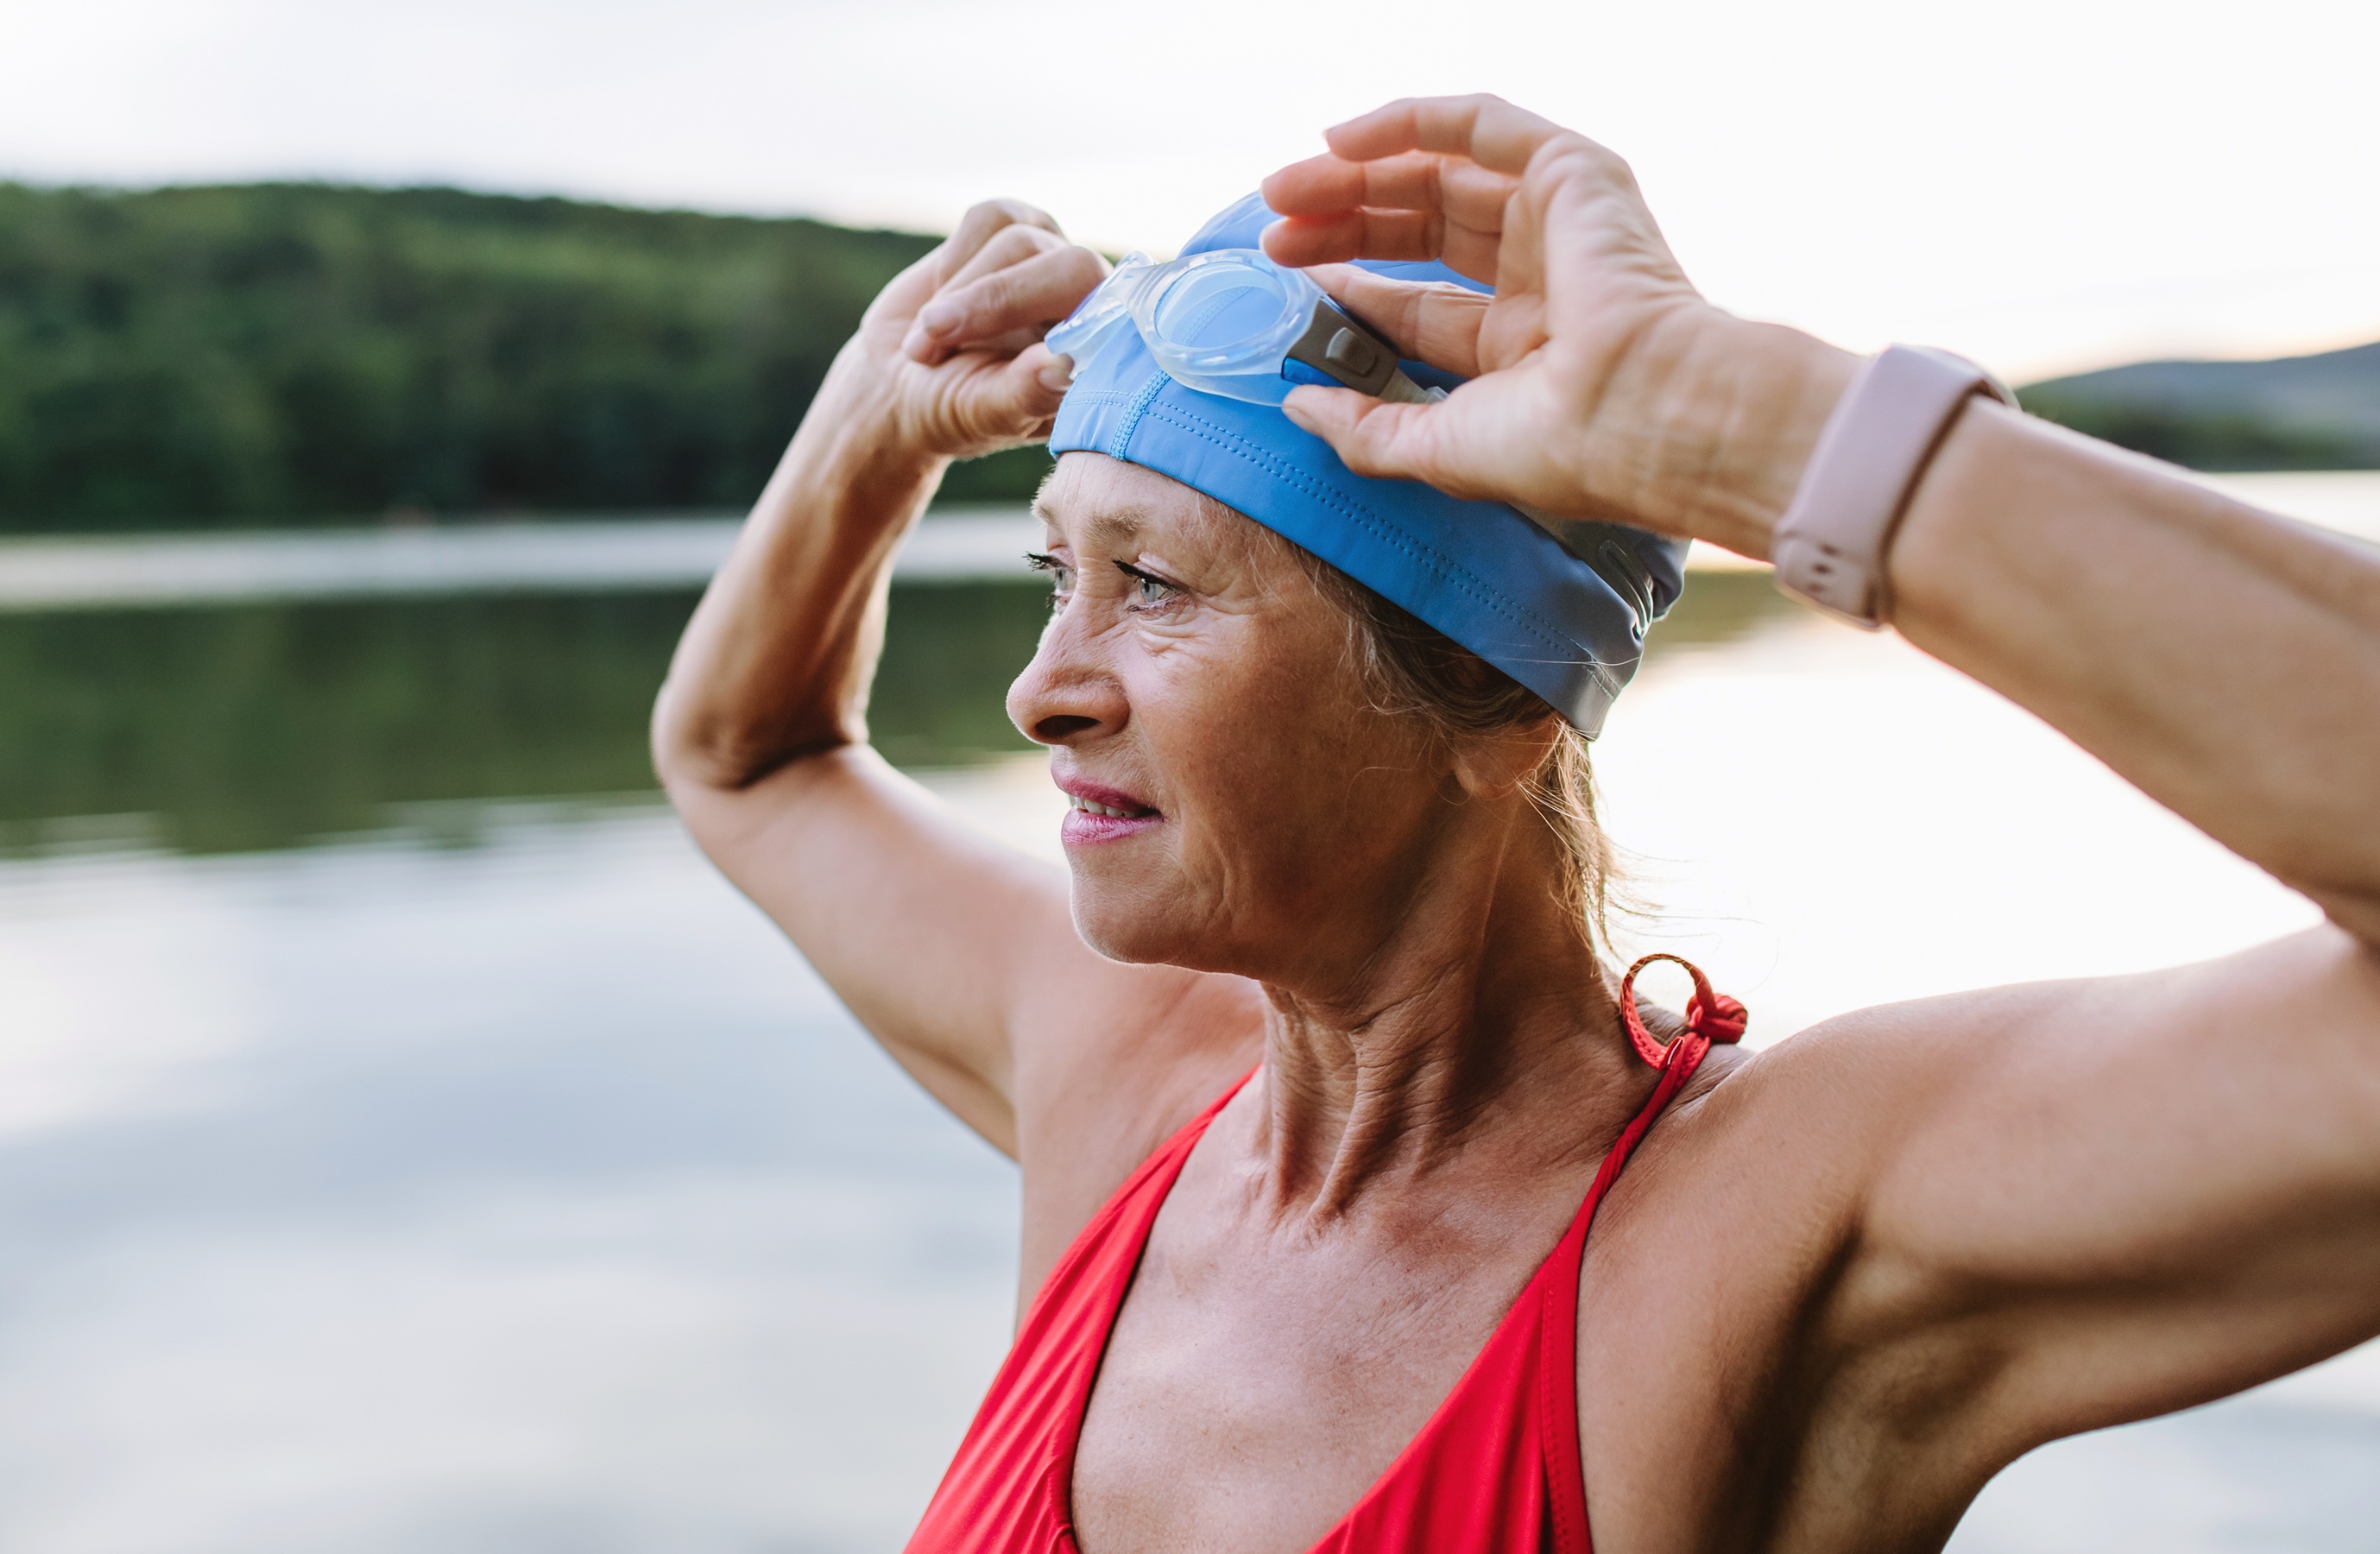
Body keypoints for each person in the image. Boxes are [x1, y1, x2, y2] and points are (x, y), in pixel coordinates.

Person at [650, 92, 2380, 1553]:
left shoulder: (1764, 1232)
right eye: (1058, 572)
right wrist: (871, 422)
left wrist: (1747, 432)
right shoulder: (1122, 1073)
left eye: (1154, 587)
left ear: (1500, 711)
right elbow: (749, 757)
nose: (1044, 689)